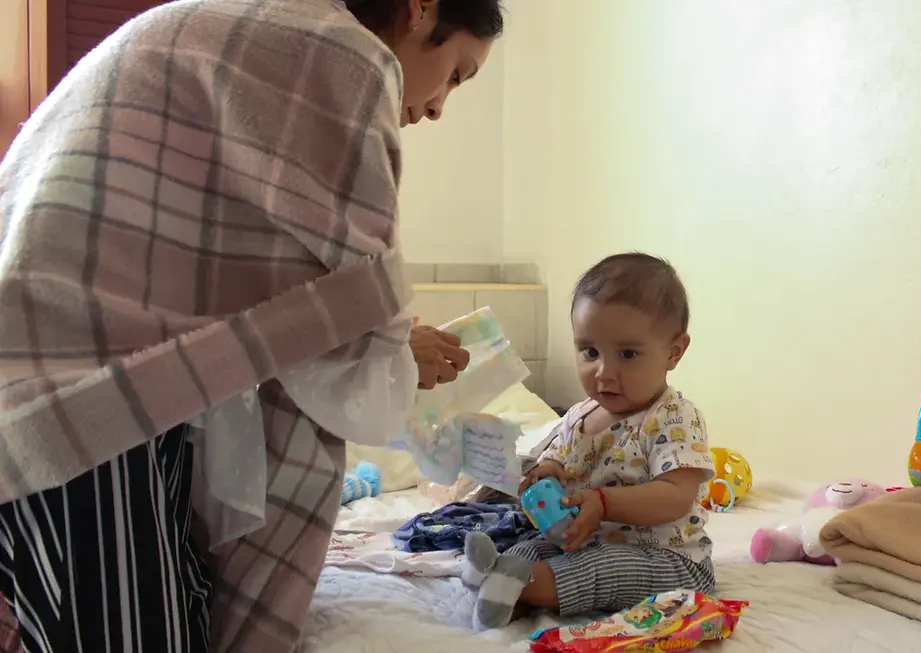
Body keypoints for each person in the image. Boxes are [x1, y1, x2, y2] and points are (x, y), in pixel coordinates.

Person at [0, 0, 503, 651]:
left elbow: (246, 290)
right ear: (420, 8)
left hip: (95, 385)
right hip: (77, 397)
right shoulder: (342, 53)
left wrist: (383, 339)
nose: (438, 106)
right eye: (457, 73)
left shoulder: (238, 34)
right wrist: (391, 346)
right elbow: (354, 324)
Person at [461, 253, 717, 630]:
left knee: (601, 567)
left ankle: (514, 586)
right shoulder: (579, 415)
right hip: (584, 540)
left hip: (666, 559)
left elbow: (675, 495)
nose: (604, 372)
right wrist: (544, 474)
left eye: (627, 354)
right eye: (590, 352)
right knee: (530, 547)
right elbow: (555, 462)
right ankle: (505, 580)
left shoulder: (674, 417)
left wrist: (603, 502)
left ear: (673, 351)